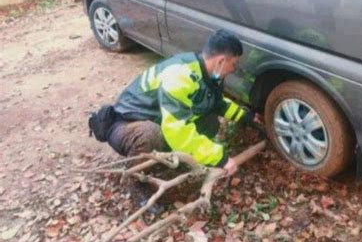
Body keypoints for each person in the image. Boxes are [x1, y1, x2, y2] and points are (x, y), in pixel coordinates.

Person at [90, 30, 261, 175]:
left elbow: (217, 103)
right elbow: (177, 129)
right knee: (151, 134)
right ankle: (137, 181)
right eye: (234, 64)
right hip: (124, 125)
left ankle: (175, 159)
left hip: (157, 119)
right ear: (221, 61)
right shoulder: (180, 76)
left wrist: (247, 117)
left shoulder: (206, 73)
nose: (233, 70)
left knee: (210, 123)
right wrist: (221, 159)